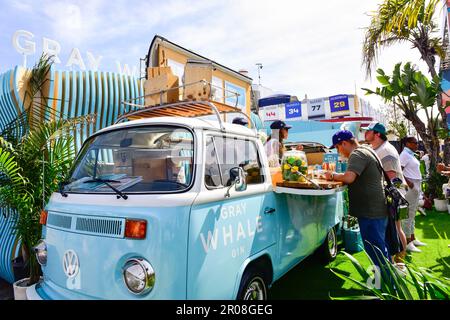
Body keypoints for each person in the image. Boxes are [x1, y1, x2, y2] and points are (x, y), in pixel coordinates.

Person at [324, 130, 391, 269]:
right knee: (379, 248)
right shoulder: (366, 150)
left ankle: (387, 284)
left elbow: (349, 177)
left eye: (337, 147)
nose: (338, 151)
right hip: (376, 208)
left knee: (376, 251)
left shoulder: (357, 154)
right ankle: (385, 281)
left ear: (344, 143)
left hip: (371, 211)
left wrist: (332, 176)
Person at [362, 122, 408, 266]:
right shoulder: (378, 148)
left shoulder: (386, 151)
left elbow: (391, 176)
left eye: (368, 131)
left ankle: (400, 263)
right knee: (392, 230)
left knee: (396, 229)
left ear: (377, 134)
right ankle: (394, 261)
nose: (365, 133)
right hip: (388, 195)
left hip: (393, 195)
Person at [399, 136, 427, 252]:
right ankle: (408, 242)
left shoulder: (410, 154)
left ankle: (413, 238)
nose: (416, 145)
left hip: (415, 185)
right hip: (410, 186)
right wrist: (408, 183)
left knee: (413, 212)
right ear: (407, 143)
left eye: (417, 143)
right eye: (414, 143)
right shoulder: (404, 154)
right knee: (408, 214)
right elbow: (398, 170)